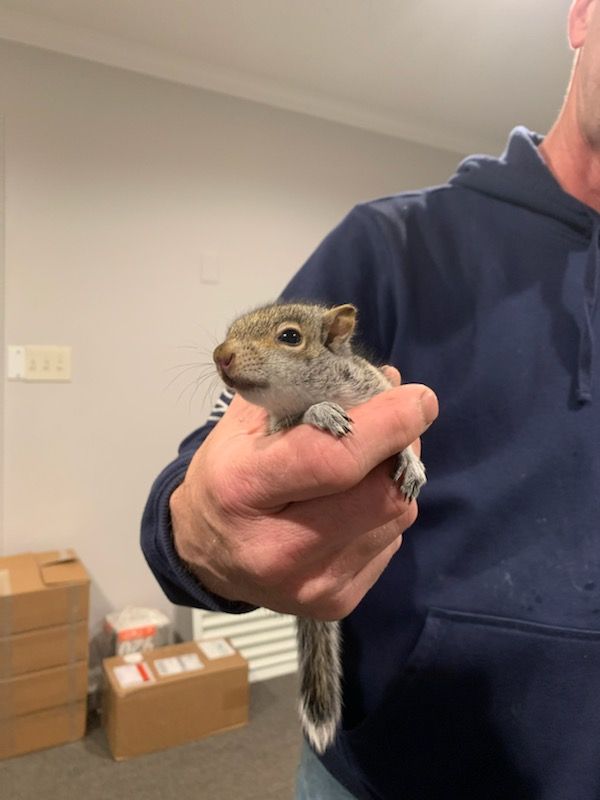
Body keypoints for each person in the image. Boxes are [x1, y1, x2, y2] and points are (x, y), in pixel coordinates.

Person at [141, 0, 600, 796]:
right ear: (583, 17)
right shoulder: (393, 241)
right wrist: (205, 524)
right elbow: (213, 469)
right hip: (398, 762)